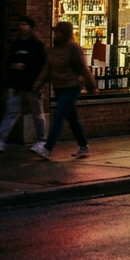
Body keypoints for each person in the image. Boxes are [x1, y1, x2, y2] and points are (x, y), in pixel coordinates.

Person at [31, 21, 97, 160]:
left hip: (72, 87)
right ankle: (83, 146)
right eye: (56, 32)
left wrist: (91, 85)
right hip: (58, 88)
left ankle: (47, 149)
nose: (57, 34)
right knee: (72, 118)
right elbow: (46, 70)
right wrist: (36, 86)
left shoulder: (73, 48)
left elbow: (83, 69)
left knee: (58, 116)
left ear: (66, 34)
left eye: (59, 32)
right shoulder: (52, 50)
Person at [0, 16, 48, 152]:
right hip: (16, 85)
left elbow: (40, 65)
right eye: (20, 25)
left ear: (31, 27)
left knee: (37, 114)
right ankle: (0, 139)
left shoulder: (36, 45)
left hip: (31, 86)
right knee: (12, 112)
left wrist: (25, 68)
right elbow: (8, 62)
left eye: (25, 25)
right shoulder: (16, 44)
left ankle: (42, 140)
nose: (22, 27)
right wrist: (12, 72)